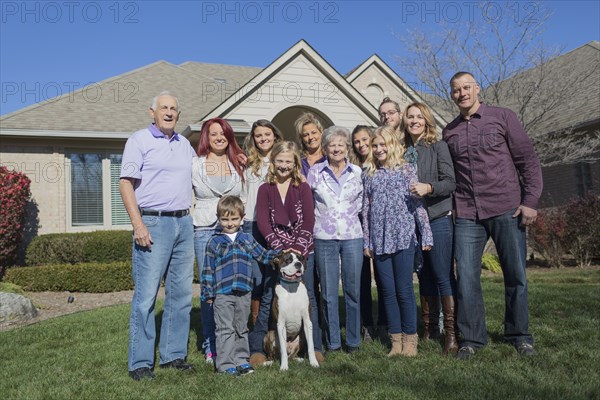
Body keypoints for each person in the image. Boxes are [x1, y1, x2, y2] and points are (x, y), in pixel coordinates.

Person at [443, 71, 543, 359]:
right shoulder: (449, 132)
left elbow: (528, 161)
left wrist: (530, 201)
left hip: (506, 208)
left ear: (477, 89)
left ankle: (520, 335)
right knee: (467, 278)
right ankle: (472, 339)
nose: (462, 93)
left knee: (515, 275)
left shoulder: (503, 117)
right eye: (456, 89)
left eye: (466, 87)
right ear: (452, 95)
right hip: (466, 213)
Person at [120, 92, 196, 381]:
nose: (169, 112)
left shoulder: (184, 145)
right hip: (153, 221)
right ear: (151, 112)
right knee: (146, 296)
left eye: (174, 108)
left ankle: (172, 356)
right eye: (163, 107)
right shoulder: (138, 140)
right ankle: (140, 362)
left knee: (181, 295)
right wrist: (138, 224)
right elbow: (126, 183)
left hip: (183, 223)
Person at [249, 141, 324, 366]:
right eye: (279, 161)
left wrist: (297, 249)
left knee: (309, 297)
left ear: (295, 164)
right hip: (276, 254)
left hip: (301, 252)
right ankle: (257, 348)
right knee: (267, 299)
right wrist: (281, 249)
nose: (283, 165)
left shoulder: (302, 187)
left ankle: (315, 347)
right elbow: (263, 221)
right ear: (273, 162)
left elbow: (309, 220)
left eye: (288, 161)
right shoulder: (265, 189)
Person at [362, 126, 433, 357]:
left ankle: (411, 340)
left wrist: (426, 233)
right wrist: (367, 241)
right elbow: (366, 209)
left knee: (404, 290)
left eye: (383, 144)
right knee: (388, 292)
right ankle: (396, 341)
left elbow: (417, 205)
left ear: (393, 145)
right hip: (380, 241)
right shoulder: (369, 174)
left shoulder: (407, 170)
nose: (379, 149)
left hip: (403, 238)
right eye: (375, 145)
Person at [201, 195, 282, 376]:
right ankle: (225, 364)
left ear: (242, 218)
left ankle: (241, 360)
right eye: (225, 219)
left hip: (244, 292)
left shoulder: (246, 239)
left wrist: (279, 255)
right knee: (225, 329)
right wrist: (208, 294)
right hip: (223, 293)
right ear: (219, 218)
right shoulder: (214, 242)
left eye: (234, 219)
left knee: (241, 327)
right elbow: (207, 270)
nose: (230, 223)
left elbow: (262, 255)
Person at [401, 102, 458, 355]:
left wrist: (429, 188)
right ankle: (429, 329)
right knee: (423, 275)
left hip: (437, 218)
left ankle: (452, 334)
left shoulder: (438, 146)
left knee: (442, 274)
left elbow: (450, 182)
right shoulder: (402, 150)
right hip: (412, 223)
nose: (414, 121)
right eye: (410, 117)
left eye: (419, 117)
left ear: (427, 120)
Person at [192, 117, 245, 364]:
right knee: (210, 287)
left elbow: (244, 195)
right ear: (206, 137)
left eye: (223, 133)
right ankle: (210, 344)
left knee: (232, 286)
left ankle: (233, 342)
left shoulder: (238, 162)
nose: (218, 137)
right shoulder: (196, 164)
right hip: (204, 228)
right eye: (213, 134)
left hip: (232, 230)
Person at [308, 126, 363, 353]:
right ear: (325, 149)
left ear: (347, 147)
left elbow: (363, 205)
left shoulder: (358, 172)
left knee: (353, 291)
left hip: (352, 236)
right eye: (332, 145)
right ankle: (333, 342)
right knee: (329, 294)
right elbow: (308, 203)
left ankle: (353, 341)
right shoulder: (314, 172)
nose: (337, 149)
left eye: (341, 144)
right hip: (324, 236)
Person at [241, 120, 283, 324]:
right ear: (253, 139)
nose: (263, 138)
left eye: (267, 134)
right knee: (256, 276)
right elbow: (242, 194)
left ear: (275, 135)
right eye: (259, 135)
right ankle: (257, 323)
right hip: (251, 223)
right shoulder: (248, 163)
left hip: (276, 225)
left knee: (274, 275)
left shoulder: (281, 160)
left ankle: (274, 323)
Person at [350, 125, 380, 342]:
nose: (361, 145)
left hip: (379, 224)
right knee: (361, 278)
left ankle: (387, 324)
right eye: (357, 141)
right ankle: (366, 324)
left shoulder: (380, 164)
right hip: (357, 224)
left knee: (383, 276)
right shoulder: (353, 167)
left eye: (364, 140)